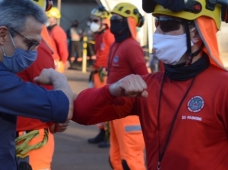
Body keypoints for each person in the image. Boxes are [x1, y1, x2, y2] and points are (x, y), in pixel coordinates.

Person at [73, 0, 228, 169]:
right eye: (157, 23)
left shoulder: (223, 87)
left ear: (197, 33)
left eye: (168, 24)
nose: (158, 32)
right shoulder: (149, 87)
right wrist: (111, 91)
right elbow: (80, 113)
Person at [0, 0, 73, 169]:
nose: (34, 53)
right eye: (30, 44)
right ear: (3, 35)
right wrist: (58, 78)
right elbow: (63, 107)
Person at [15, 1, 69, 169]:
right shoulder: (35, 47)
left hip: (23, 133)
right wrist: (58, 119)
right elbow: (49, 96)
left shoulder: (14, 41)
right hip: (30, 134)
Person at [107, 3, 148, 169]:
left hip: (129, 113)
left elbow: (144, 78)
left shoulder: (132, 46)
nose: (112, 22)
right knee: (115, 158)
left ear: (128, 23)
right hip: (115, 111)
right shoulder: (116, 45)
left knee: (131, 160)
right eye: (112, 18)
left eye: (117, 19)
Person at [87, 5, 114, 148]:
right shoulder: (99, 35)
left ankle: (108, 135)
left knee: (105, 104)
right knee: (99, 104)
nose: (93, 22)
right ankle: (102, 131)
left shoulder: (109, 35)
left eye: (95, 20)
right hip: (98, 72)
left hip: (104, 73)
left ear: (104, 21)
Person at [46, 7, 69, 73]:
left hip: (56, 63)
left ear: (53, 19)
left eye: (48, 17)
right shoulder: (48, 30)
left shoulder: (58, 31)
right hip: (49, 62)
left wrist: (63, 63)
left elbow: (63, 50)